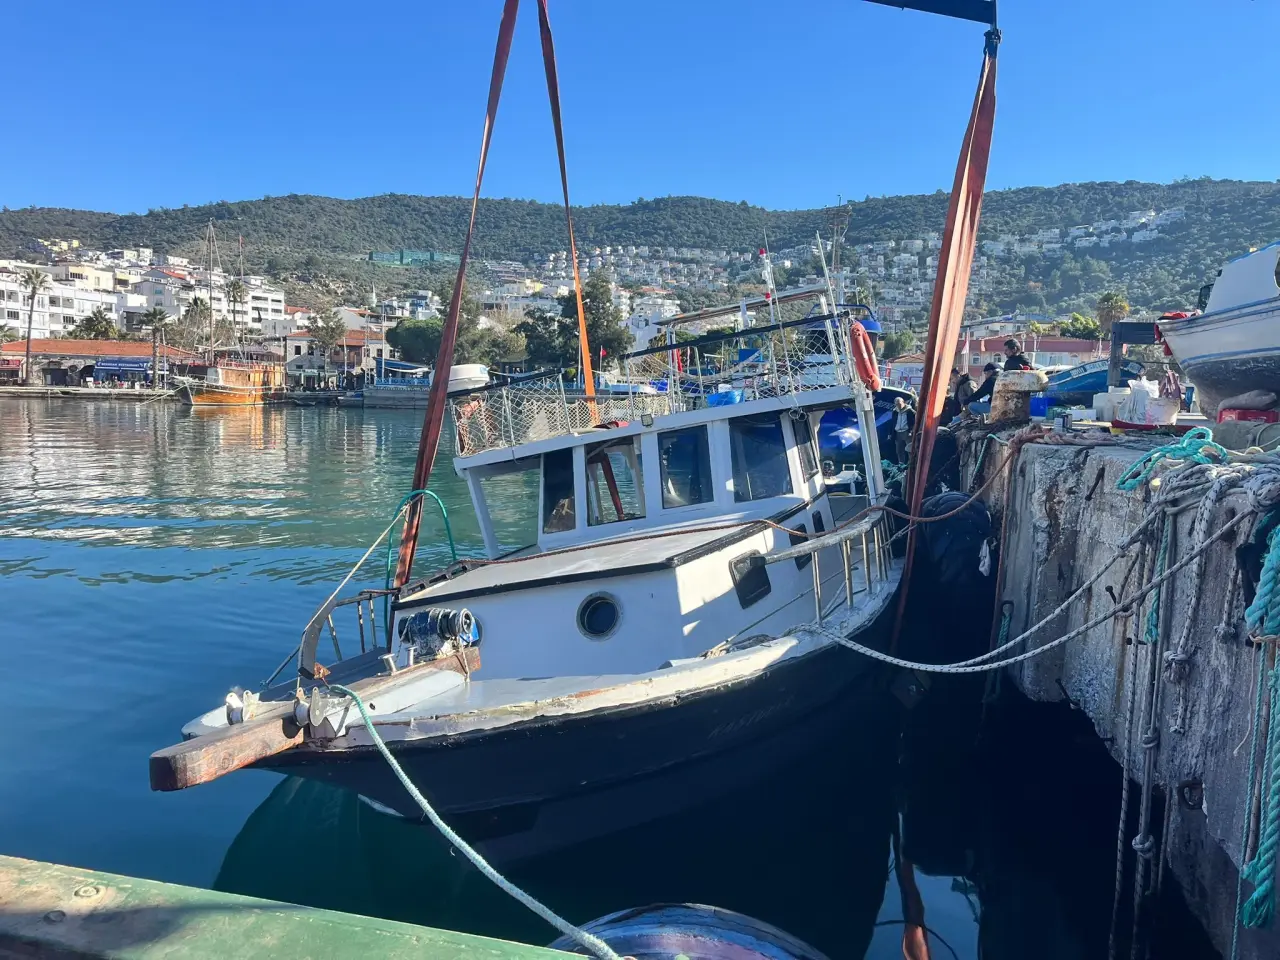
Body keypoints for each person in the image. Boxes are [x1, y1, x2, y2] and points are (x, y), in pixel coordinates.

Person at [892, 395, 915, 464]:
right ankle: (901, 463)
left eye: (899, 404)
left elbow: (914, 421)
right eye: (896, 404)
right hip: (898, 432)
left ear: (903, 402)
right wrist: (891, 433)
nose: (898, 406)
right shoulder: (895, 411)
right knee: (899, 450)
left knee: (909, 449)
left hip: (907, 432)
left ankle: (911, 463)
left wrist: (911, 430)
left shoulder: (909, 411)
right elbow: (893, 422)